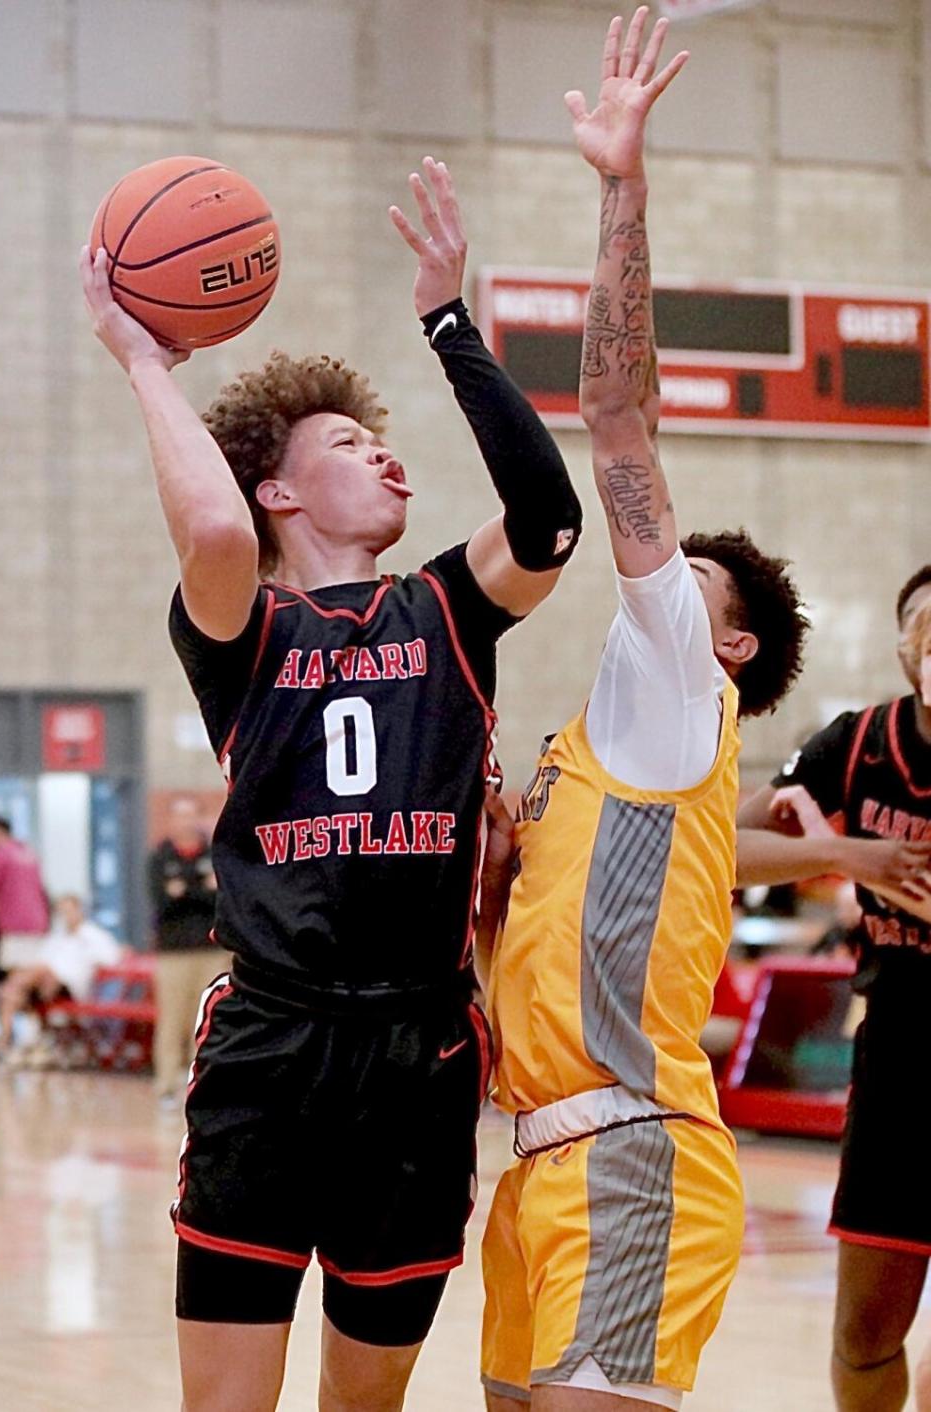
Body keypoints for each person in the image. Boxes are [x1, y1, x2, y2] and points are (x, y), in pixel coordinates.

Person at [80, 152, 581, 1412]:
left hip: (419, 1046)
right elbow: (208, 534)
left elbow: (549, 518)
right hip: (273, 1040)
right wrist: (145, 361)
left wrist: (449, 319)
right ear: (282, 488)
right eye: (355, 444)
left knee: (365, 1406)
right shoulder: (245, 623)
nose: (391, 461)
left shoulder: (447, 610)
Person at [477, 13, 809, 1410]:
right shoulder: (585, 760)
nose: (657, 579)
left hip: (635, 1152)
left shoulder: (681, 681)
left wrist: (622, 187)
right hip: (535, 1163)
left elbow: (616, 418)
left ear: (724, 643)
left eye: (688, 579)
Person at [738, 564, 931, 1412]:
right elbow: (725, 844)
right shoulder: (858, 746)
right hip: (900, 1060)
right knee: (863, 1336)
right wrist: (846, 854)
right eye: (927, 620)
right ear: (903, 647)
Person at [148, 797, 223, 1104]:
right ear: (172, 822)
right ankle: (166, 1085)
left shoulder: (213, 852)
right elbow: (162, 903)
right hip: (173, 953)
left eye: (191, 817)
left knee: (209, 1019)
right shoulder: (159, 858)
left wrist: (185, 891)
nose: (186, 823)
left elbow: (219, 899)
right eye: (180, 817)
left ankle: (206, 1084)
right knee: (172, 1020)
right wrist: (201, 889)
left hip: (211, 950)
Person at [0, 893, 123, 1061]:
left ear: (79, 910)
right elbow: (42, 959)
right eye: (63, 912)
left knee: (32, 975)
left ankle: (7, 1041)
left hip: (68, 986)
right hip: (44, 985)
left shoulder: (93, 935)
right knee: (13, 992)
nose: (67, 916)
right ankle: (9, 1039)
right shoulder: (57, 937)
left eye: (70, 911)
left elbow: (113, 956)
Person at [0, 816, 49, 985]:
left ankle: (8, 1012)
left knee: (12, 986)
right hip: (38, 923)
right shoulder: (27, 852)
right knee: (28, 981)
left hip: (15, 926)